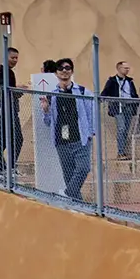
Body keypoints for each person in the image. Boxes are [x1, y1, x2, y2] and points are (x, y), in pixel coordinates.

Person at [41, 58, 96, 200]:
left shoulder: (83, 91)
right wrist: (46, 110)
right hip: (62, 139)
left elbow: (92, 112)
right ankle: (77, 205)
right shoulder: (52, 95)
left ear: (72, 71)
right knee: (69, 174)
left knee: (83, 168)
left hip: (80, 137)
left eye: (67, 68)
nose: (64, 70)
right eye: (61, 68)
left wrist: (91, 132)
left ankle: (66, 195)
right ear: (56, 73)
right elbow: (48, 122)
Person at [100, 61, 140, 159]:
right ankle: (120, 152)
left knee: (126, 130)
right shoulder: (112, 81)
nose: (127, 70)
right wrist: (100, 100)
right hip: (118, 107)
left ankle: (123, 151)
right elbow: (106, 91)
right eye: (125, 68)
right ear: (119, 69)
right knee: (121, 128)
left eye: (128, 68)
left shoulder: (130, 81)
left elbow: (134, 95)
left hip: (129, 107)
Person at [0, 47, 24, 170]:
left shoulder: (10, 72)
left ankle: (7, 166)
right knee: (8, 139)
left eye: (16, 58)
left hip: (11, 110)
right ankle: (3, 166)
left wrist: (17, 89)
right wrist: (17, 91)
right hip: (3, 111)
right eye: (13, 58)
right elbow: (3, 91)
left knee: (15, 139)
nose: (15, 60)